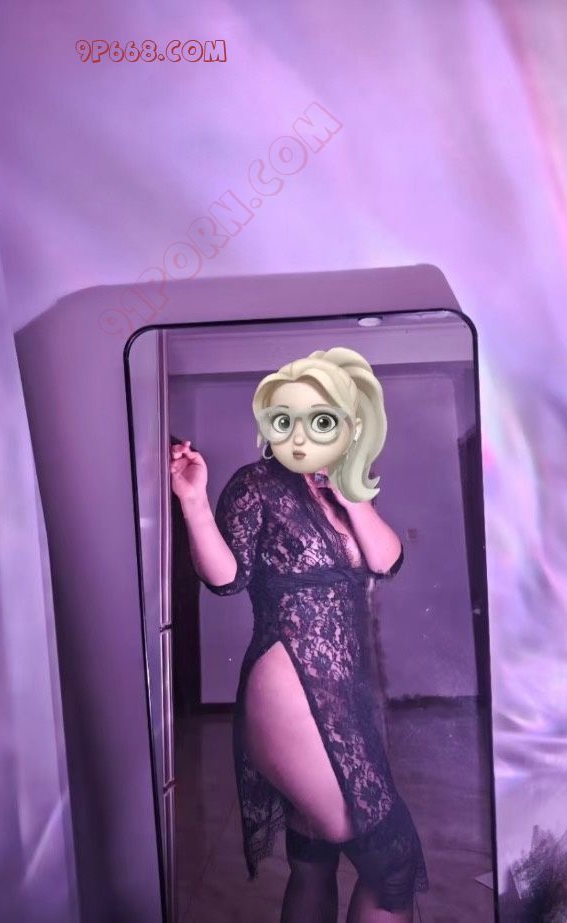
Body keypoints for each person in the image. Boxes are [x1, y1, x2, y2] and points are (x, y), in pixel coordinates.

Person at [170, 346, 429, 922]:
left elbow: (386, 560)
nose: (299, 435)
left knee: (313, 858)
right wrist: (193, 503)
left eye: (320, 420)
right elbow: (226, 580)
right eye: (284, 420)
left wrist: (351, 493)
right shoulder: (256, 485)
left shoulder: (346, 486)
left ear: (350, 424)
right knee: (392, 864)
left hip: (347, 691)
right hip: (288, 687)